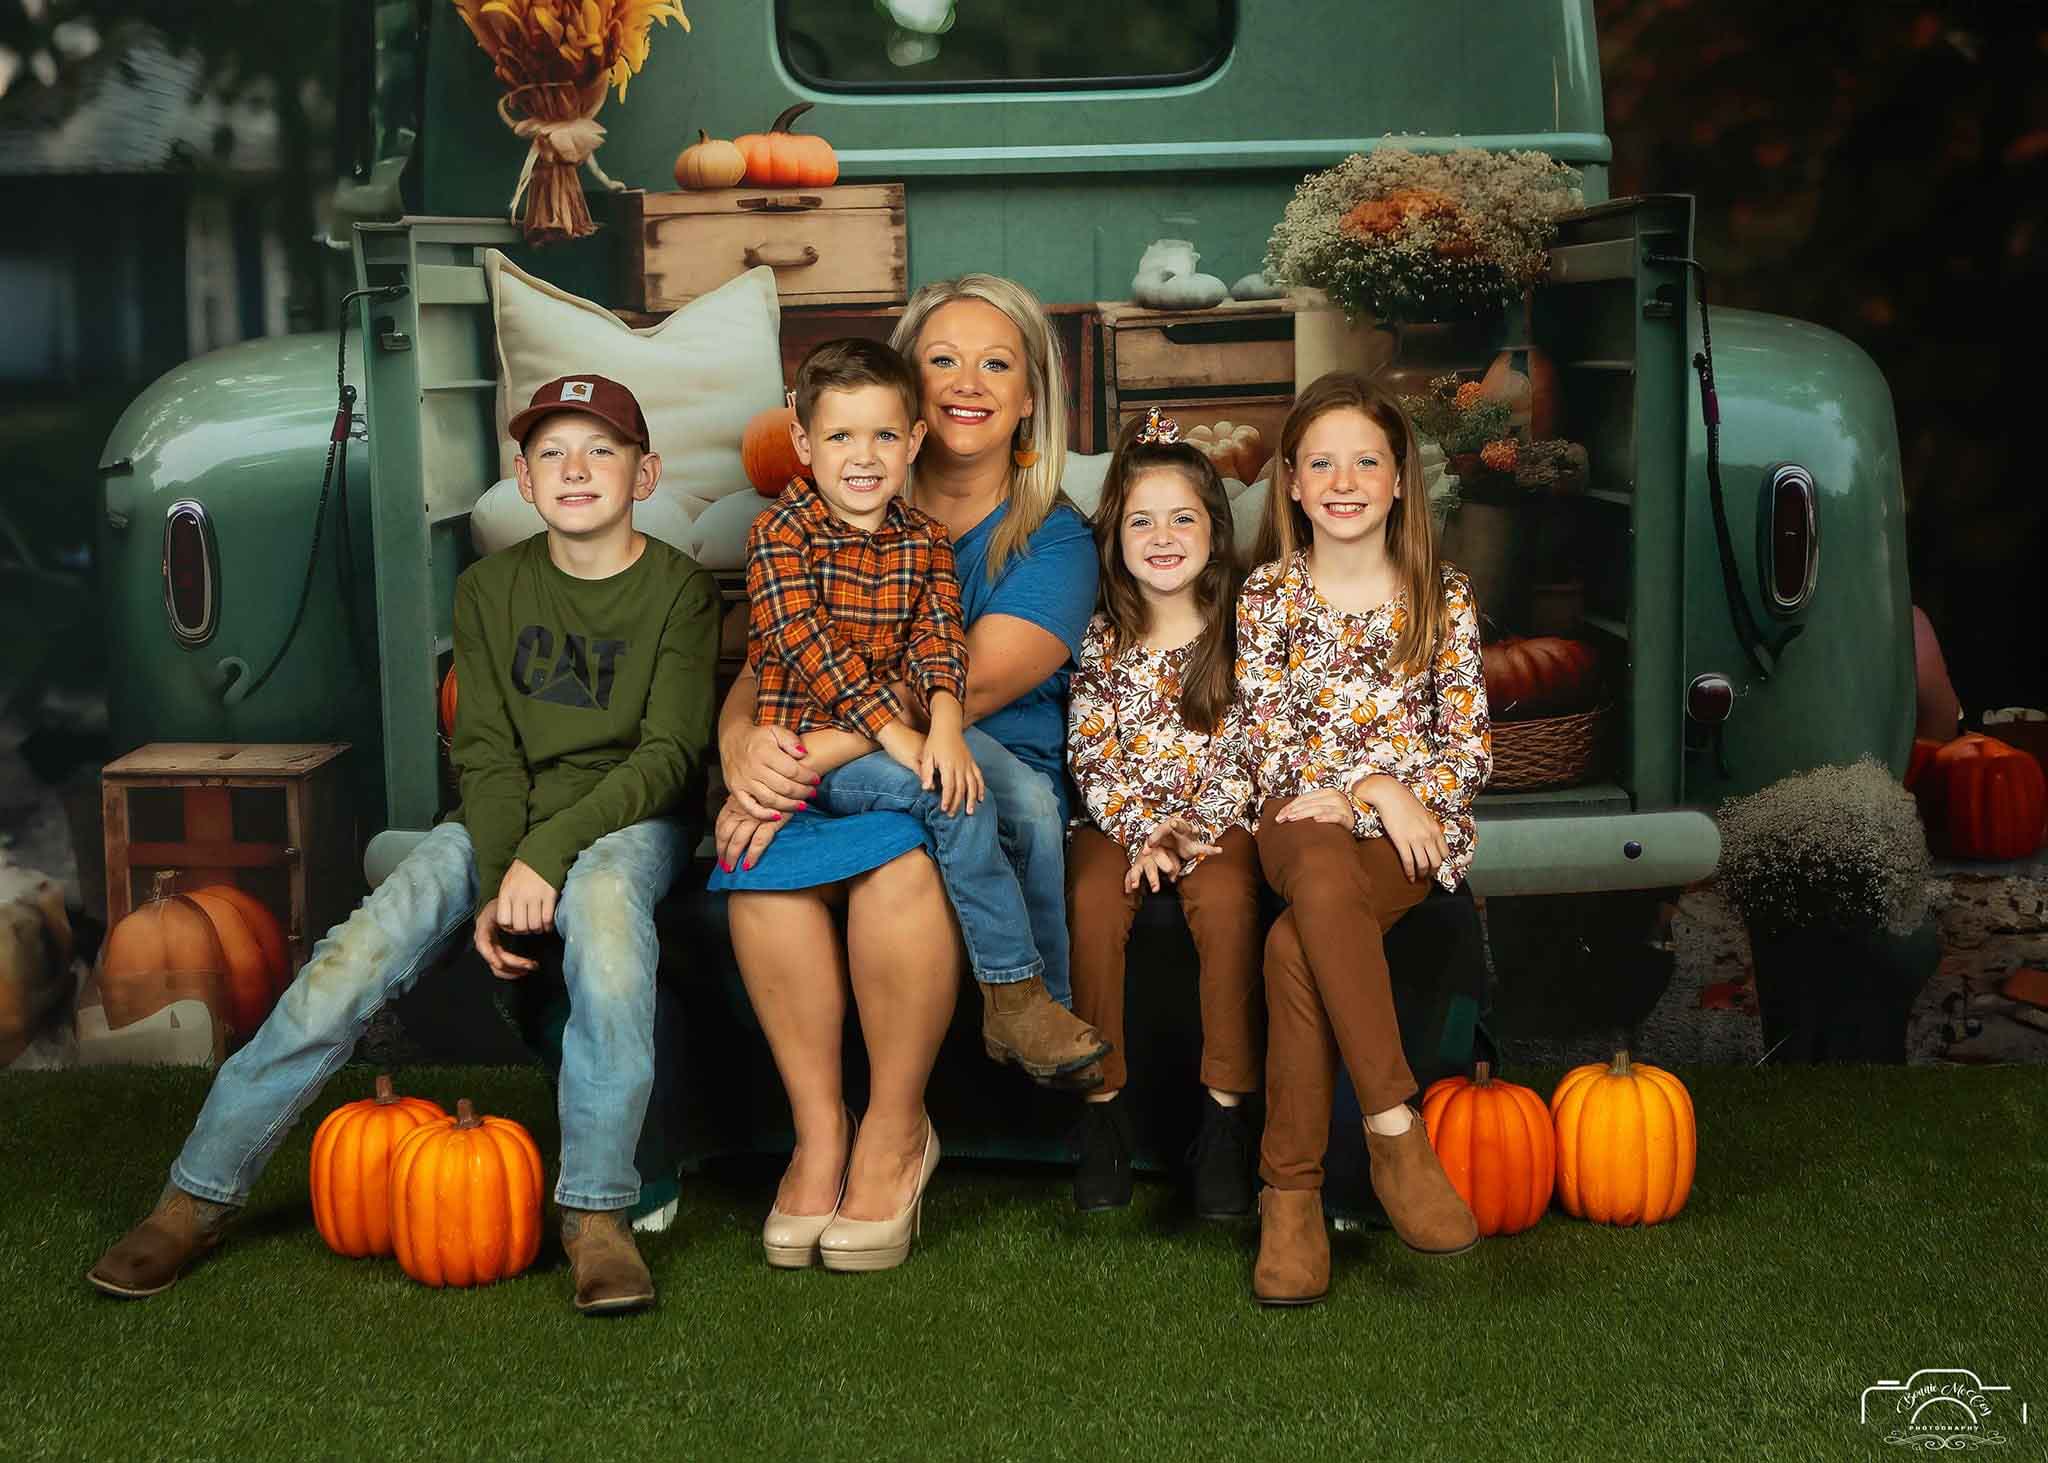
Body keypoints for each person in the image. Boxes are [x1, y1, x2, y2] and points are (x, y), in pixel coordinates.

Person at [87, 375, 721, 1316]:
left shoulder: (678, 589)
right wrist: (504, 872)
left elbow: (668, 758)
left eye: (601, 450)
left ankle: (596, 1214)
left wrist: (546, 862)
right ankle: (195, 1195)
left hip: (629, 822)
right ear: (523, 477)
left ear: (645, 471)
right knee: (360, 948)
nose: (576, 469)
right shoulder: (491, 588)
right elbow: (490, 757)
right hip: (501, 827)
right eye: (552, 452)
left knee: (608, 925)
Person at [713, 273, 1100, 1271]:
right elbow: (776, 654)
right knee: (782, 854)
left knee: (971, 801)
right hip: (866, 744)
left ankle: (996, 1031)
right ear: (905, 390)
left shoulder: (1047, 537)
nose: (967, 383)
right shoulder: (817, 517)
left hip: (949, 751)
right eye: (941, 360)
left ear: (1027, 400)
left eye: (996, 364)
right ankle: (820, 1133)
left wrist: (811, 754)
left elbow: (955, 685)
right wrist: (742, 755)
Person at [1233, 371, 1490, 1306]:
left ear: (1397, 481)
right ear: (1292, 484)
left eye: (1366, 461)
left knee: (1294, 944)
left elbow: (1465, 753)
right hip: (1294, 822)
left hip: (1407, 841)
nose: (1344, 480)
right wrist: (1359, 783)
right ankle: (1395, 1128)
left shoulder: (1442, 597)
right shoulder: (1266, 600)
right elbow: (1267, 748)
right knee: (1315, 855)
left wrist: (1384, 796)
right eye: (1321, 463)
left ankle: (1289, 1199)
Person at [745, 338, 1077, 1061]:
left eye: (884, 436)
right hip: (821, 745)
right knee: (952, 796)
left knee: (1031, 802)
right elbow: (811, 651)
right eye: (839, 436)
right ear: (801, 441)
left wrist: (949, 724)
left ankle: (1049, 1004)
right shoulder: (779, 535)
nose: (863, 457)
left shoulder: (922, 537)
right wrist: (907, 739)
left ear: (913, 441)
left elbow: (938, 637)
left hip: (905, 724)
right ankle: (1011, 992)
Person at [1065, 408, 1263, 1217]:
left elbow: (1253, 748)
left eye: (1182, 517)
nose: (1163, 535)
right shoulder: (1102, 639)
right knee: (1091, 899)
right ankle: (1101, 1113)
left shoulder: (1243, 634)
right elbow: (1089, 750)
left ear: (1215, 532)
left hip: (1217, 826)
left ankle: (1223, 1119)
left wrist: (1193, 830)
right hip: (1121, 827)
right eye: (1141, 520)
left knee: (1224, 904)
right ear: (1115, 538)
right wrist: (1139, 828)